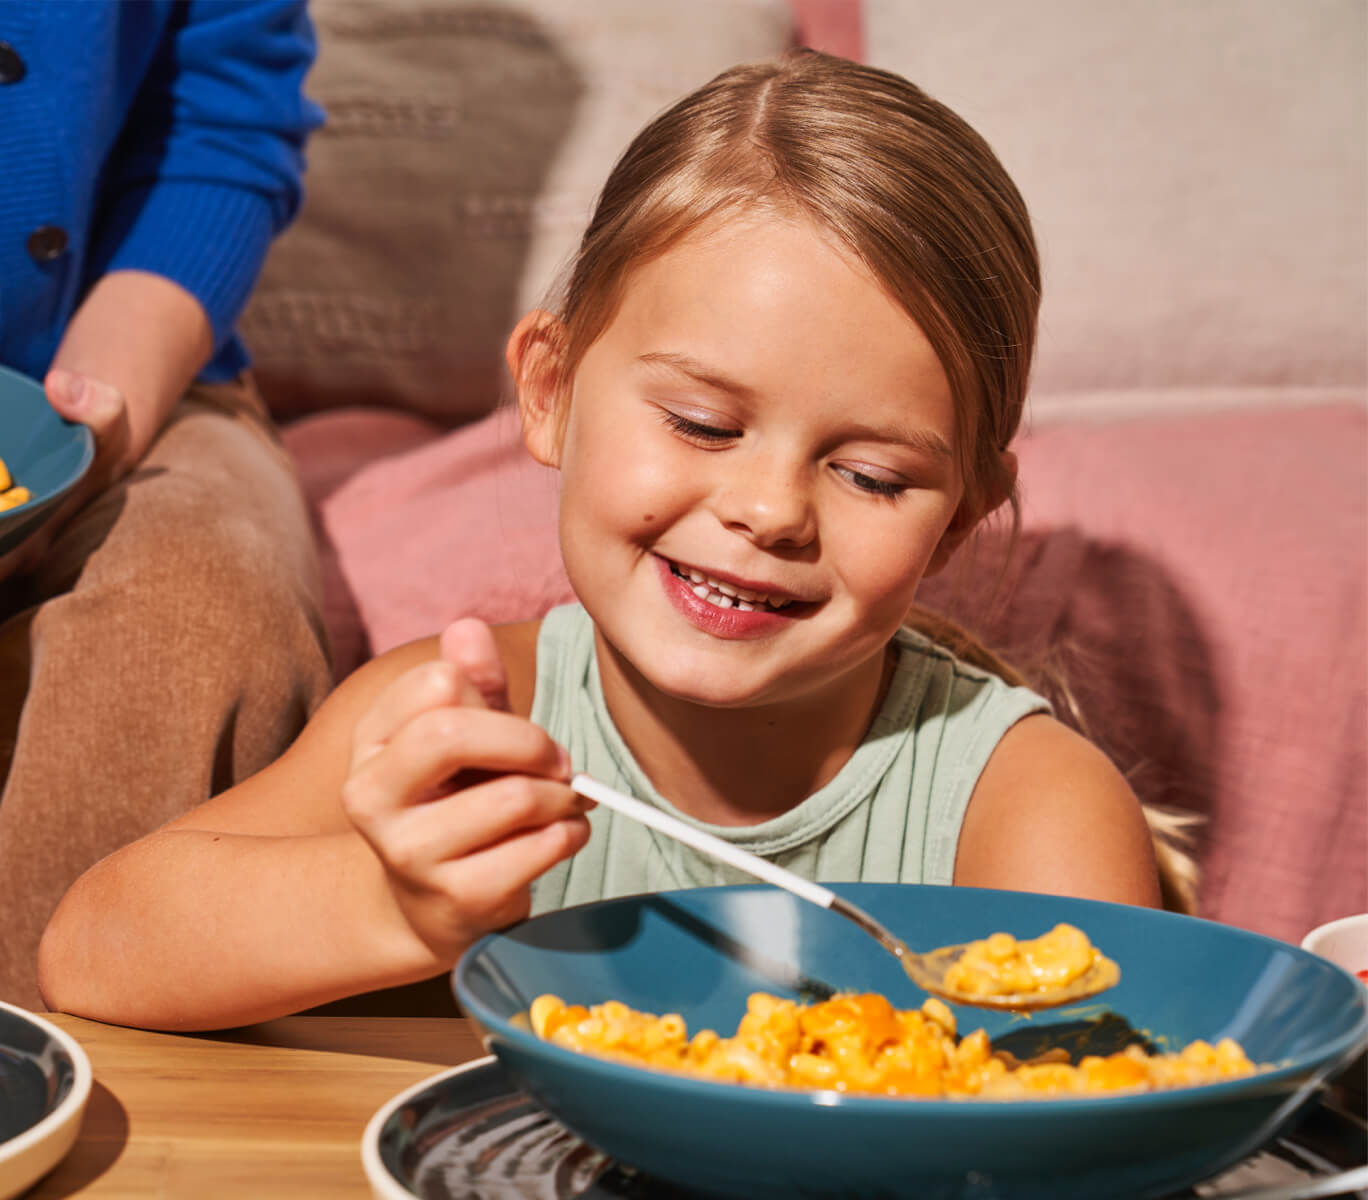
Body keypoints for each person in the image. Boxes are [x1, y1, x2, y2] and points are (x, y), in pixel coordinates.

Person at [38, 49, 1181, 1032]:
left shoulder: (1028, 804)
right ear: (548, 391)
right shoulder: (464, 720)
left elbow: (1093, 1116)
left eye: (872, 475)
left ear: (958, 525)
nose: (771, 510)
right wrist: (398, 905)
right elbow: (91, 951)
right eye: (701, 423)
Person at [0, 1, 333, 1009]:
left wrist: (84, 425)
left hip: (117, 361)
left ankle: (49, 1091)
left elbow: (220, 123)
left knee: (194, 615)